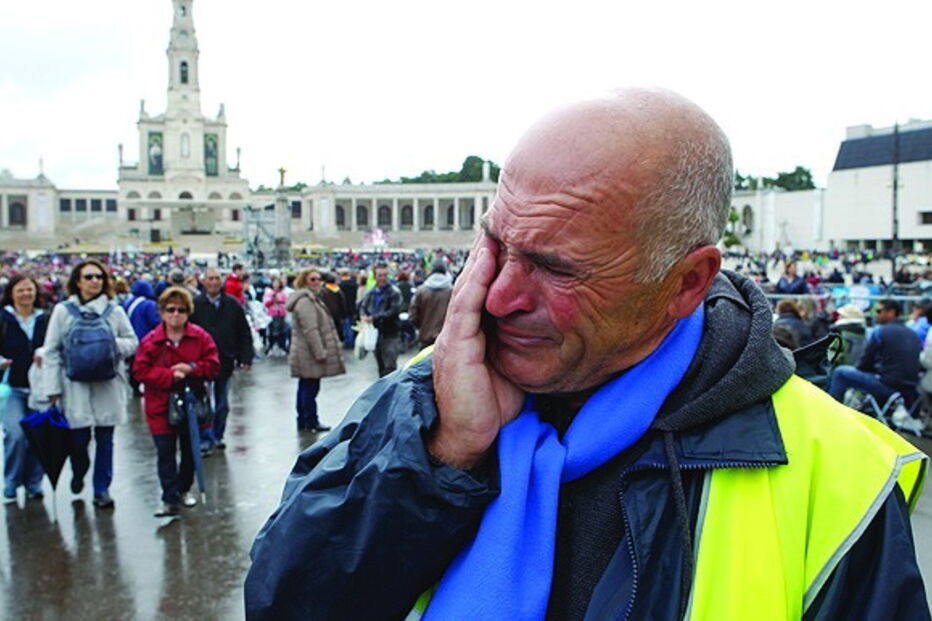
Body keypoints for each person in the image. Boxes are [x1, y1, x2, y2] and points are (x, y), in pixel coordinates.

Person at [246, 90, 929, 619]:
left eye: (556, 267)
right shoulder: (424, 391)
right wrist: (445, 451)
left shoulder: (833, 473)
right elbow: (283, 603)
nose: (500, 295)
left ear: (686, 282)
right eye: (496, 247)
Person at [42, 260, 138, 509]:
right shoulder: (63, 311)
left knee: (106, 439)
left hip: (107, 384)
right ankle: (78, 471)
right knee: (78, 440)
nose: (94, 281)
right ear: (77, 281)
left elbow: (132, 342)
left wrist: (110, 345)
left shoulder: (114, 310)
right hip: (75, 387)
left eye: (99, 277)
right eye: (88, 277)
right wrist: (51, 390)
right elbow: (51, 350)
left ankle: (101, 489)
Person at [133, 287, 220, 517]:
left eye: (181, 310)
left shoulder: (200, 337)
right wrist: (168, 375)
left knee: (191, 451)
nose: (175, 315)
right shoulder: (151, 341)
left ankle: (183, 489)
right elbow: (140, 371)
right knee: (165, 452)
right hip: (160, 406)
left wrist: (192, 368)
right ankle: (169, 497)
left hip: (191, 405)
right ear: (161, 312)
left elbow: (213, 365)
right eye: (170, 310)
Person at [189, 268, 254, 453]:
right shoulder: (195, 304)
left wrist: (245, 356)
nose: (214, 282)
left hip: (225, 360)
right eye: (210, 278)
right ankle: (205, 437)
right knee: (203, 402)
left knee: (222, 403)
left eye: (217, 278)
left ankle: (217, 434)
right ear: (204, 281)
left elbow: (243, 331)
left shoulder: (232, 304)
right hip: (200, 362)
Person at [0, 274, 49, 502]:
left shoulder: (45, 318)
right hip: (13, 387)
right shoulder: (3, 319)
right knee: (16, 434)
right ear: (11, 293)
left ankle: (34, 483)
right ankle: (11, 481)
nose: (26, 294)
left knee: (38, 437)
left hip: (41, 388)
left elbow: (56, 346)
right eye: (20, 290)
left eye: (29, 289)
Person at [828, 299, 922, 406]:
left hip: (888, 386)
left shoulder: (880, 332)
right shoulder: (912, 333)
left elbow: (864, 364)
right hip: (910, 389)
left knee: (840, 372)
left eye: (879, 311)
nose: (876, 315)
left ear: (891, 312)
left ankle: (831, 409)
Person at [285, 269, 345, 432]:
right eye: (313, 279)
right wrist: (320, 352)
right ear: (305, 281)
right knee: (310, 387)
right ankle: (310, 420)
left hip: (306, 352)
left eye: (319, 279)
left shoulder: (311, 299)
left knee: (306, 386)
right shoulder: (306, 302)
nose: (317, 282)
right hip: (308, 353)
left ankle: (304, 420)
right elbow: (311, 330)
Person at [359, 264, 403, 377]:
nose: (382, 278)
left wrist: (375, 317)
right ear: (375, 277)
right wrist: (364, 315)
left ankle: (390, 392)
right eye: (380, 275)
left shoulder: (394, 292)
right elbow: (362, 307)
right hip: (375, 332)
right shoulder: (371, 292)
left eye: (385, 275)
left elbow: (394, 311)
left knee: (390, 367)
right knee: (380, 365)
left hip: (391, 333)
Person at [408, 259, 453, 348]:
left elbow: (413, 316)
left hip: (425, 340)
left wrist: (422, 327)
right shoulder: (452, 291)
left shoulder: (421, 290)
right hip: (446, 341)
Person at [262, 276, 289, 356]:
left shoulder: (283, 293)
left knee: (282, 331)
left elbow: (286, 302)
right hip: (272, 314)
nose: (276, 285)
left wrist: (280, 301)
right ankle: (270, 346)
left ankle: (282, 346)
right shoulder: (268, 292)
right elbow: (266, 304)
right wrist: (273, 300)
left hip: (281, 314)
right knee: (272, 331)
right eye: (275, 283)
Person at [337, 269, 358, 350]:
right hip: (352, 306)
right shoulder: (354, 284)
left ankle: (348, 342)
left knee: (346, 326)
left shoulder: (340, 285)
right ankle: (352, 341)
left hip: (344, 307)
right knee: (351, 324)